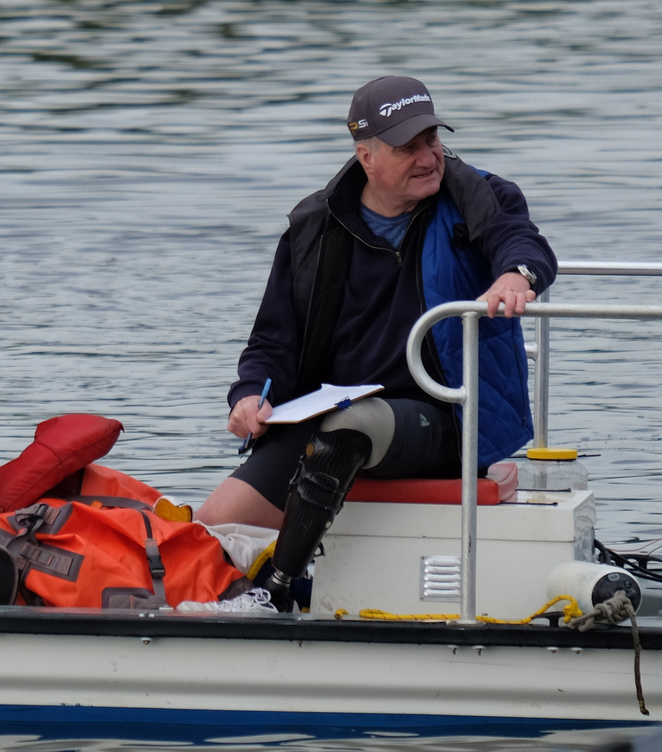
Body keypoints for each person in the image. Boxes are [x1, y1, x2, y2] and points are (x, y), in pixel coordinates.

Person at [196, 75, 557, 610]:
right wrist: (251, 394)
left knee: (350, 426)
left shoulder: (480, 195)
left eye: (431, 139)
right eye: (407, 146)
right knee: (208, 526)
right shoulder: (313, 225)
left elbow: (521, 243)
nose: (428, 156)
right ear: (366, 156)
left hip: (448, 416)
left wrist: (516, 275)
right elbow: (273, 340)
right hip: (325, 416)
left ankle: (271, 594)